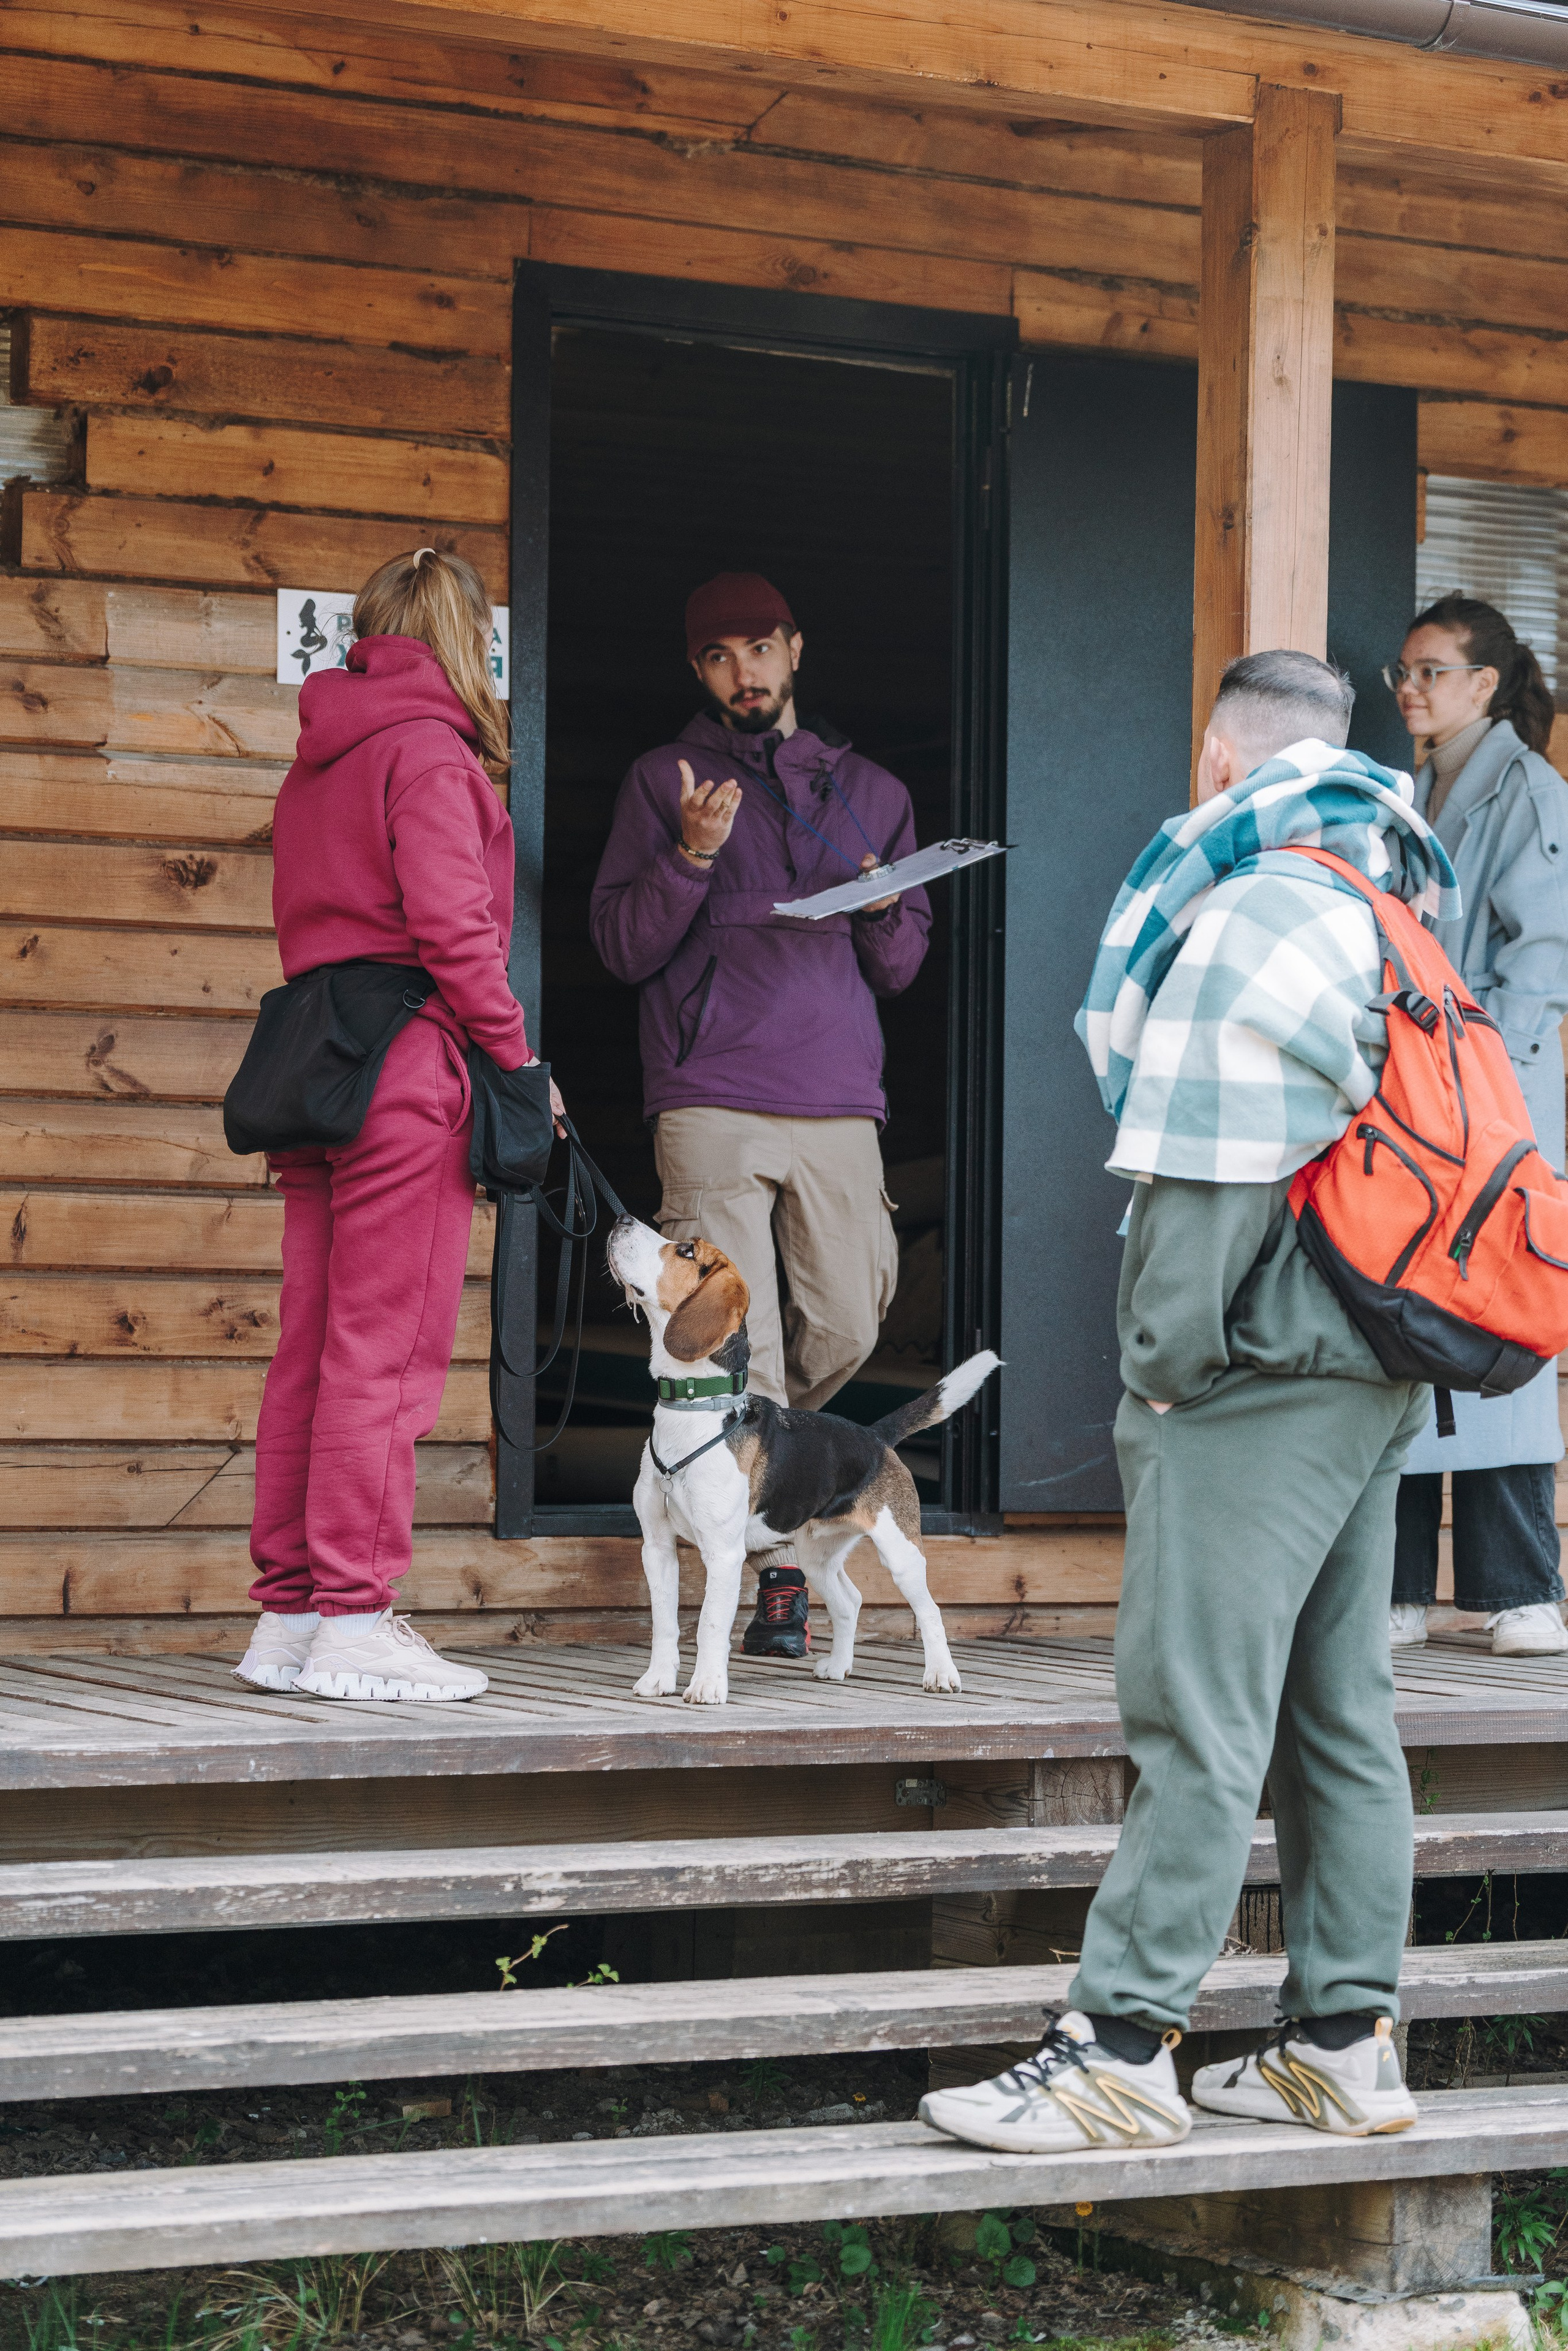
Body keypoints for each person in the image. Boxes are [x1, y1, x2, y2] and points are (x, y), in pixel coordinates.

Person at [919, 651, 1455, 2156]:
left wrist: (1160, 1370)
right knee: (1334, 1708)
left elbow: (1204, 1171)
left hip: (1261, 1367)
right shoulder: (1392, 898)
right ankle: (1340, 2040)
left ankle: (1118, 2045)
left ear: (1218, 761)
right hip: (1376, 1356)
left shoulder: (1249, 908)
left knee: (1192, 1706)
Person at [235, 548, 562, 1704]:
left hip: (319, 1068)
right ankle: (359, 1614)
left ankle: (290, 1614)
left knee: (313, 1349)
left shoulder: (316, 757)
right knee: (388, 1348)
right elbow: (453, 928)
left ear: (369, 630)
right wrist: (517, 1059)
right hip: (407, 1072)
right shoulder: (431, 752)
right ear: (471, 641)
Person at [590, 572, 930, 1660]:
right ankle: (772, 1577)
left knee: (850, 1318)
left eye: (760, 649)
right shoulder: (661, 779)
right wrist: (688, 852)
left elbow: (905, 960)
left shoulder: (870, 790)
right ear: (700, 671)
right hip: (709, 1091)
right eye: (720, 655)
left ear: (794, 650)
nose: (745, 670)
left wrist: (884, 906)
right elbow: (621, 948)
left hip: (837, 1094)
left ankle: (771, 1493)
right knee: (745, 1339)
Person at [1384, 595, 1568, 1658]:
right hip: (1426, 1097)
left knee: (1501, 1325)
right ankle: (1403, 1586)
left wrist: (1491, 1095)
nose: (1410, 688)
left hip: (1497, 1101)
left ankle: (1520, 1588)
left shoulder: (1528, 788)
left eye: (1431, 671)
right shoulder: (1417, 787)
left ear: (1484, 686)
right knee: (1407, 1322)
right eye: (1401, 671)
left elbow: (1543, 959)